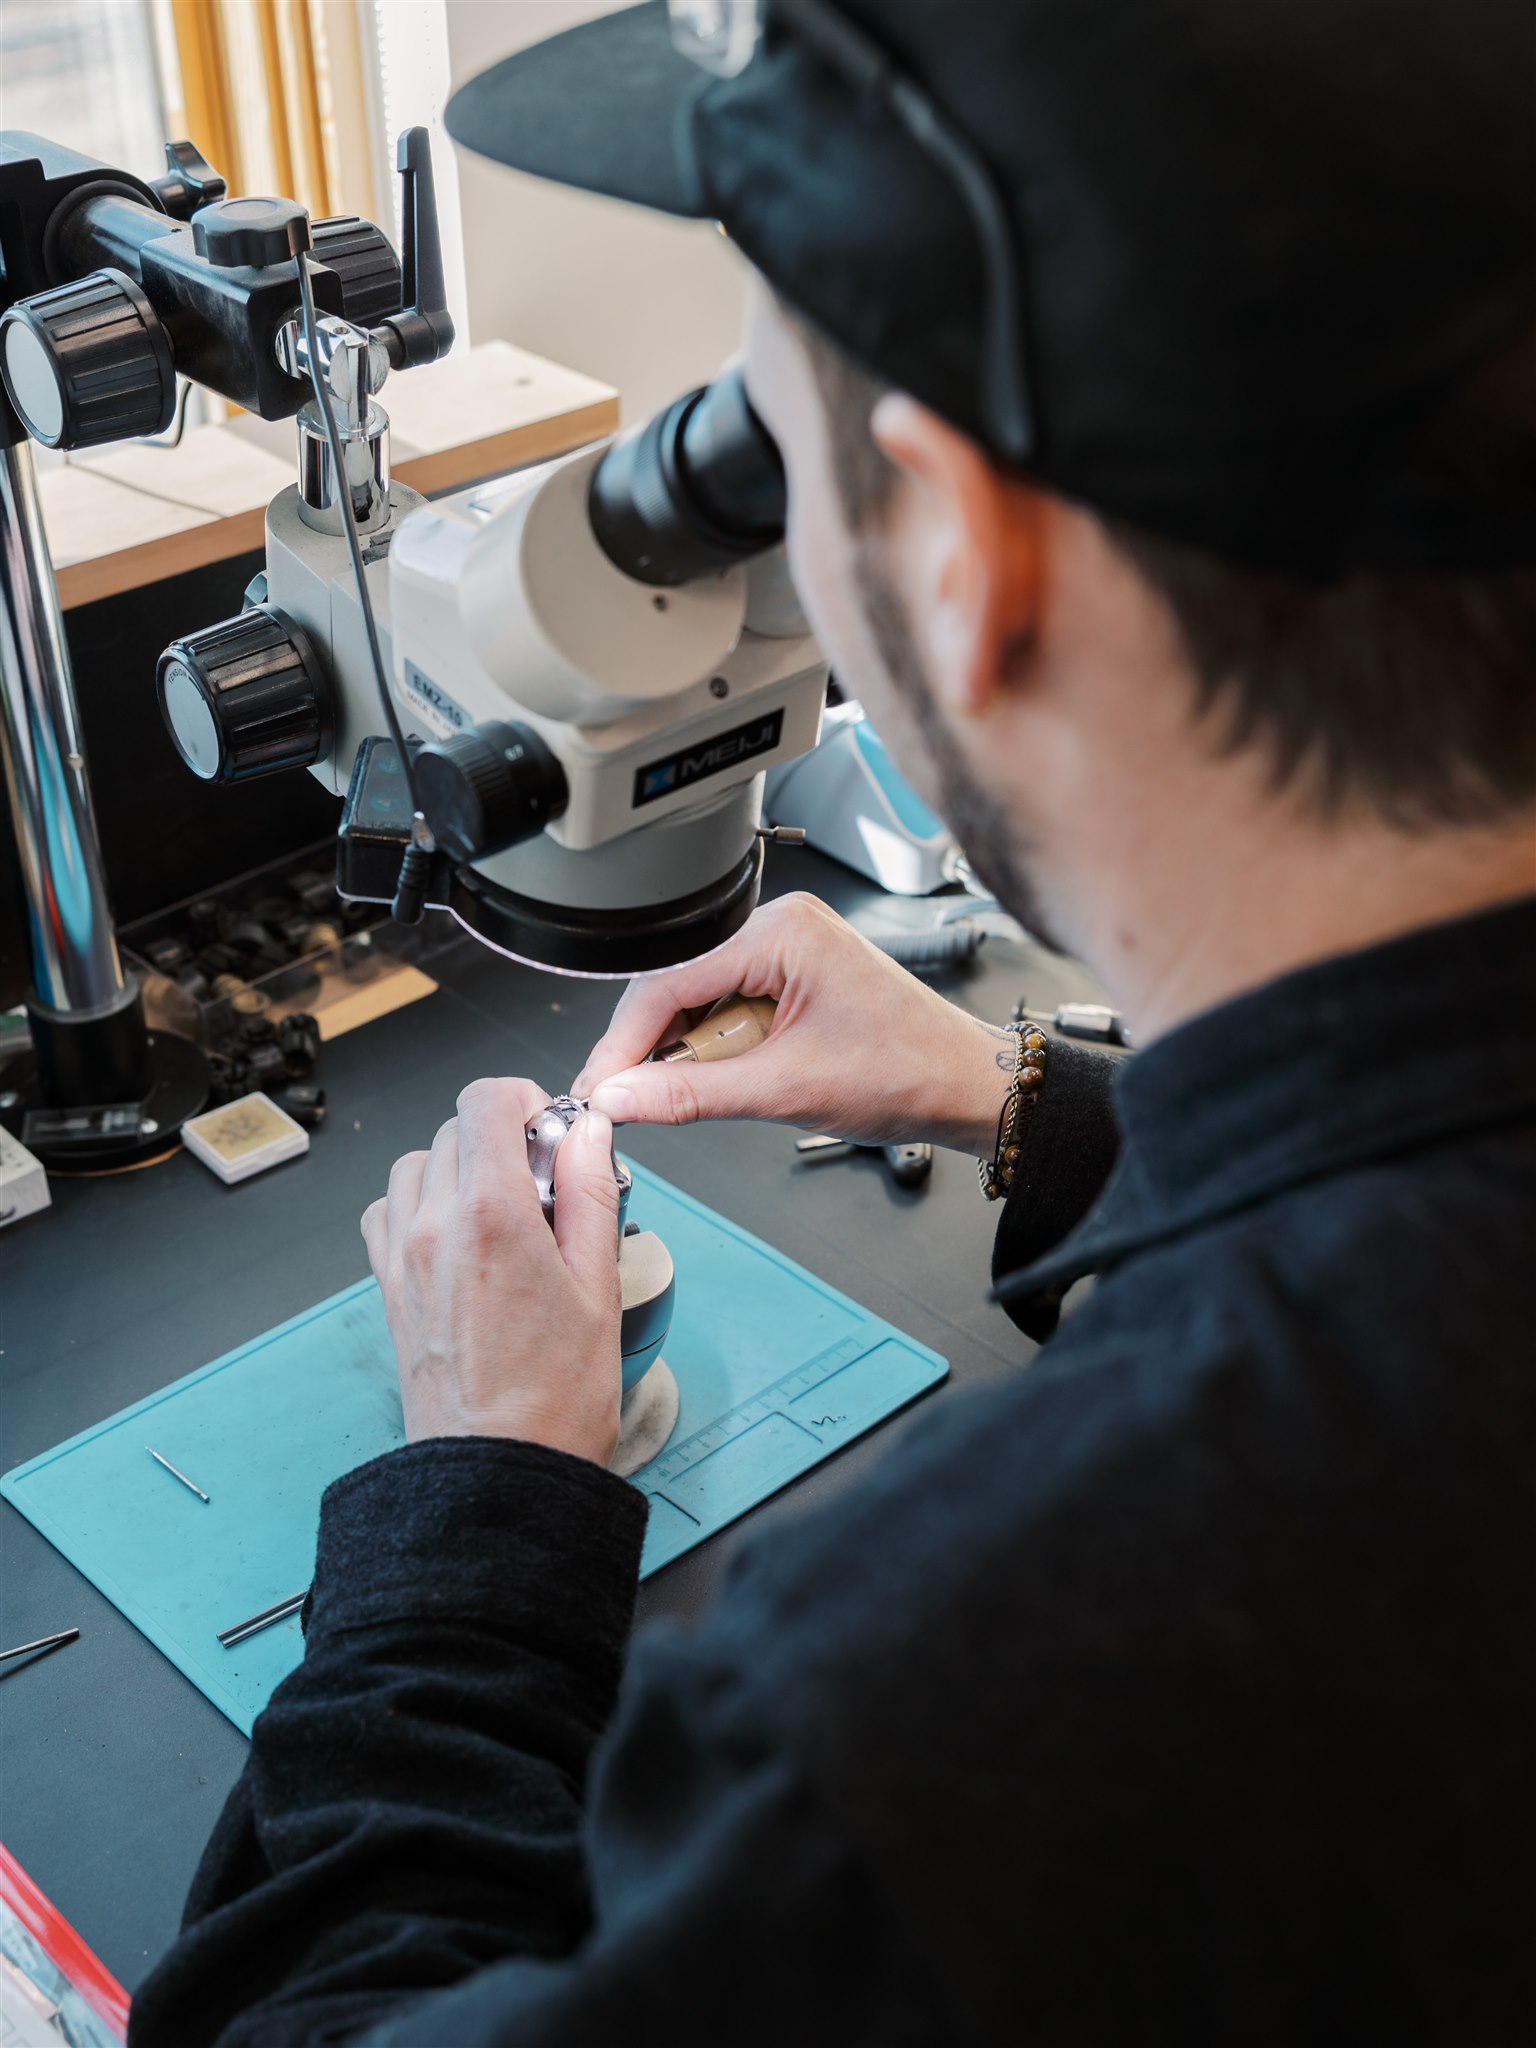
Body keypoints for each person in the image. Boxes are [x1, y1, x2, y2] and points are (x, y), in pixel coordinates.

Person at [131, 3, 1536, 2043]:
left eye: (757, 453)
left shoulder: (947, 1725)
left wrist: (483, 1509)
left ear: (972, 551)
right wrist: (1027, 1098)